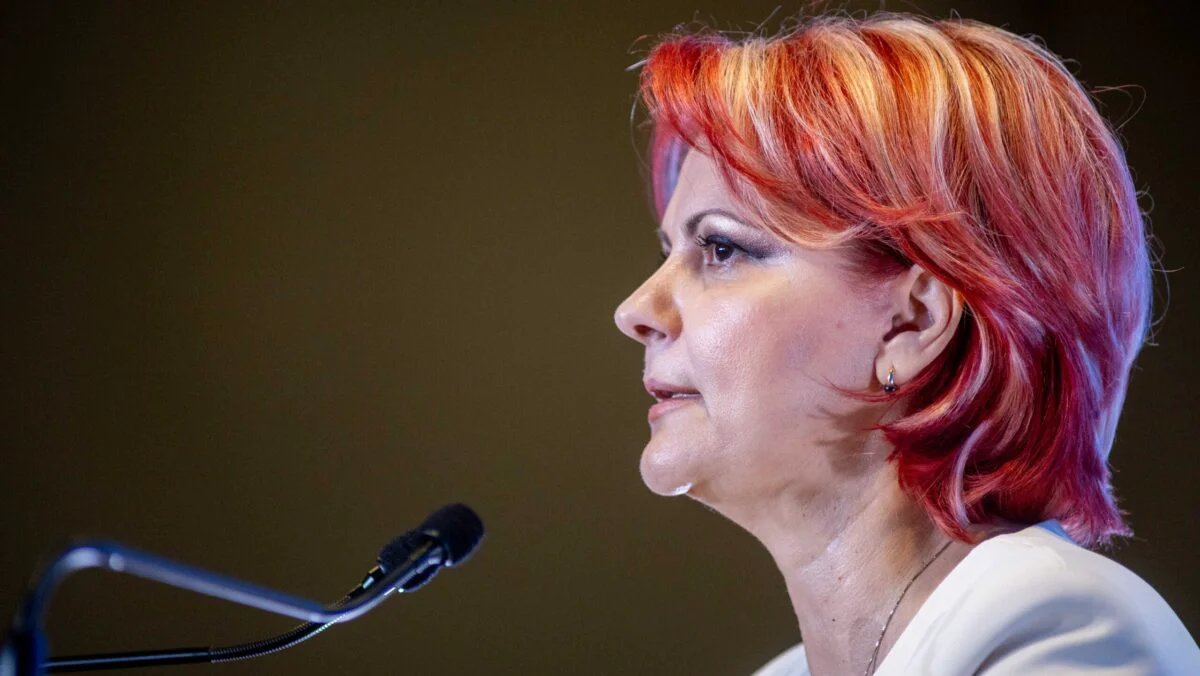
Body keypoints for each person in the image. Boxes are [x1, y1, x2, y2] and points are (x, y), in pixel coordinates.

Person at [613, 11, 1199, 676]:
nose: (635, 310)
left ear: (913, 323)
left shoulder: (1056, 634)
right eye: (667, 252)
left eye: (721, 249)